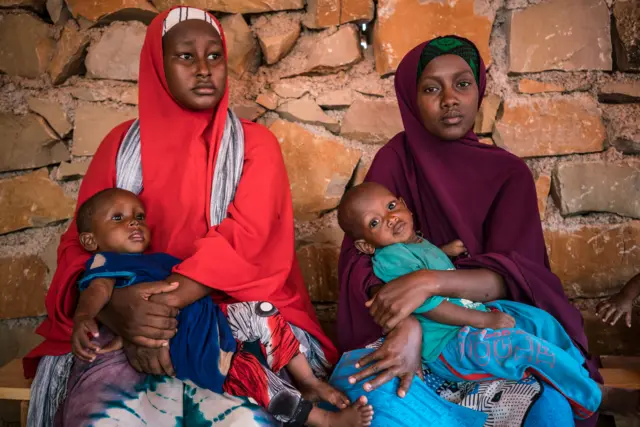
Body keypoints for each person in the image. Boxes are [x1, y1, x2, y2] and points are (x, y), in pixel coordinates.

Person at [25, 7, 340, 427]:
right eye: (185, 57)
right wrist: (119, 309)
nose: (205, 69)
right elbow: (81, 241)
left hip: (229, 308)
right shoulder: (119, 147)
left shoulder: (255, 145)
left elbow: (248, 240)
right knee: (106, 409)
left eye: (215, 56)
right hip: (125, 300)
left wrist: (156, 315)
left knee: (238, 413)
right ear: (157, 65)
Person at [337, 35, 629, 426]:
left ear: (479, 89)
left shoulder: (509, 174)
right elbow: (360, 265)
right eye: (430, 89)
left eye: (462, 84)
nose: (449, 99)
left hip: (489, 329)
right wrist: (407, 326)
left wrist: (430, 281)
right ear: (410, 98)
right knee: (365, 396)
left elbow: (515, 278)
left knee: (552, 410)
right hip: (417, 341)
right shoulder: (394, 162)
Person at [71, 187, 374, 427]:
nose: (134, 222)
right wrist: (84, 316)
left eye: (139, 216)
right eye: (118, 218)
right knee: (254, 376)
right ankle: (324, 420)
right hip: (194, 346)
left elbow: (200, 277)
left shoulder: (155, 259)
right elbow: (96, 292)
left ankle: (308, 381)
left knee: (263, 311)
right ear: (89, 240)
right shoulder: (105, 263)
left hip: (213, 319)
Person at [337, 181, 602, 420]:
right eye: (375, 222)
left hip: (467, 317)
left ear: (404, 204)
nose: (390, 218)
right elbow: (431, 306)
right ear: (366, 246)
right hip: (450, 341)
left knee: (538, 320)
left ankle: (576, 369)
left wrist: (444, 252)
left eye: (391, 206)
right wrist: (484, 319)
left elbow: (422, 267)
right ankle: (591, 397)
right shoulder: (390, 256)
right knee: (522, 347)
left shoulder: (413, 245)